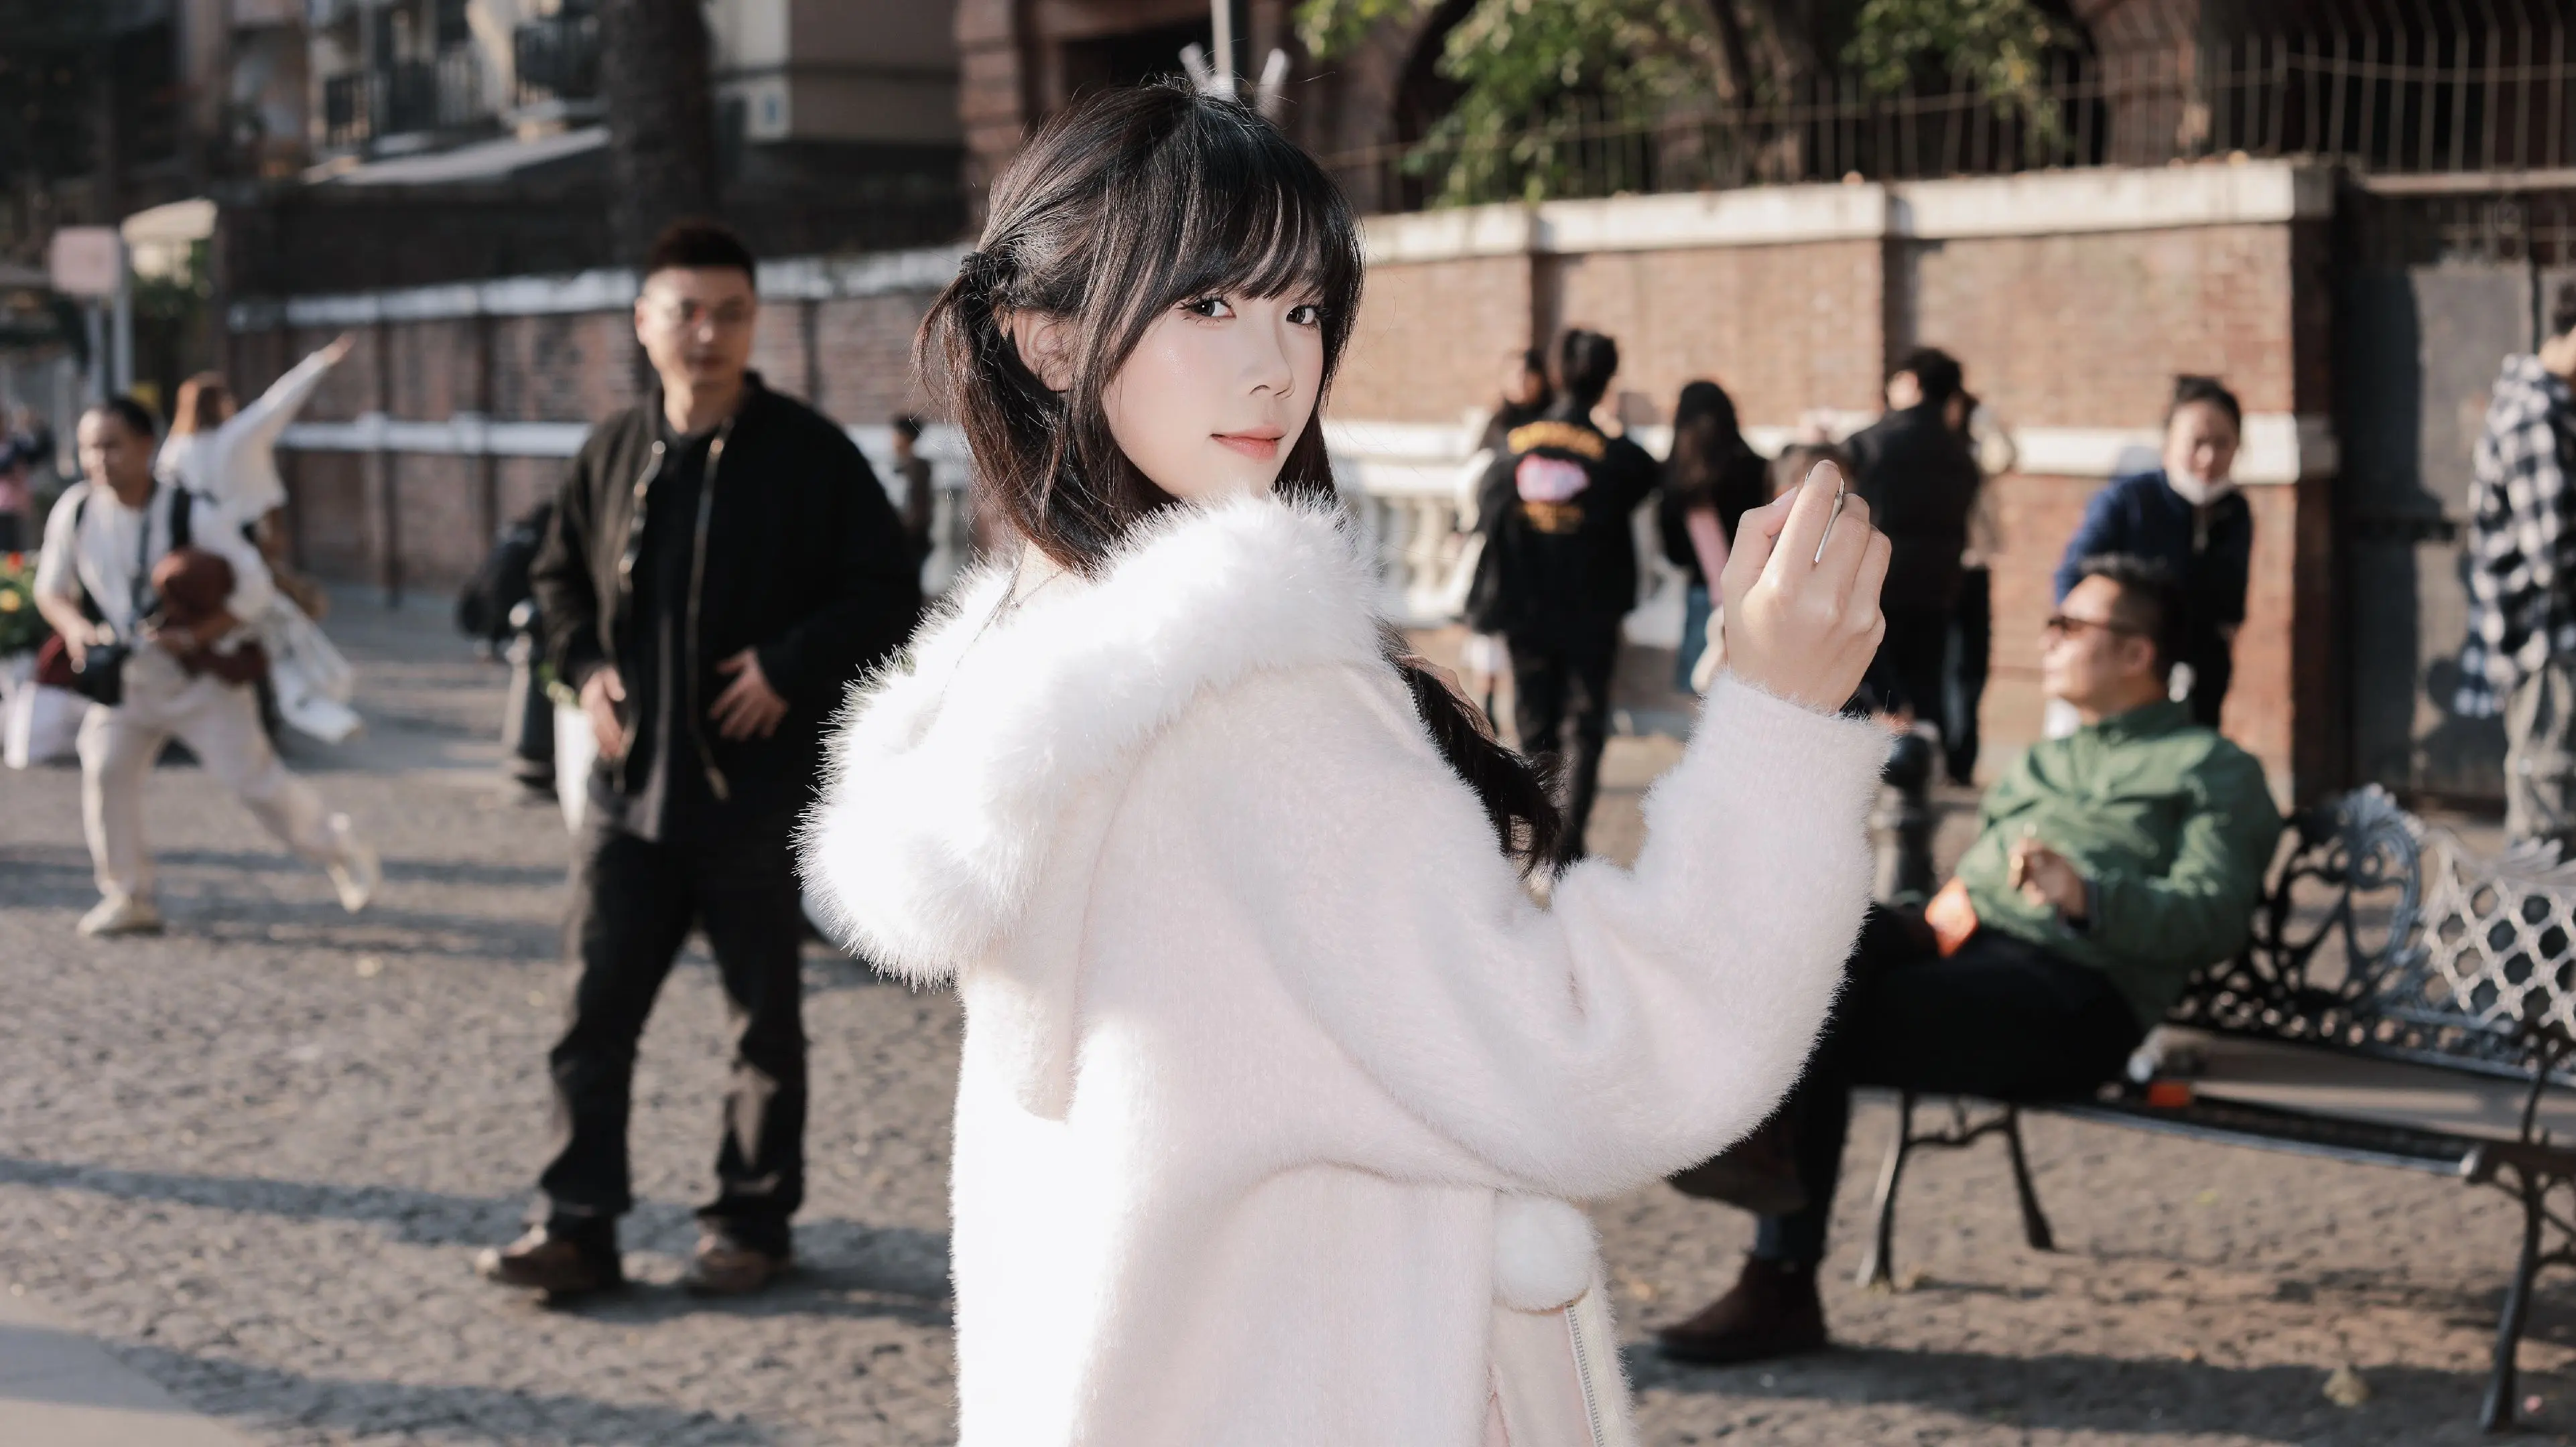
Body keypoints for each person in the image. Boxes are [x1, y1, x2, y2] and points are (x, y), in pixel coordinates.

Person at [800, 82, 1894, 1447]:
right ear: (1047, 337)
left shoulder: (1029, 671)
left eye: (1303, 309)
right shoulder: (1246, 701)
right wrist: (1778, 725)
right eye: (1208, 305)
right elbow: (1600, 1064)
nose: (1275, 365)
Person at [1655, 554, 2284, 1366]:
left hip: (2076, 994)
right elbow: (1969, 887)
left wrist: (2089, 897)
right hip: (1965, 950)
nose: (2047, 639)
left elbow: (2213, 917)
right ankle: (1745, 1163)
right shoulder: (2047, 762)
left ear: (2137, 653)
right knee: (1813, 927)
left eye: (2070, 626)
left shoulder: (2211, 770)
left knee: (1818, 1013)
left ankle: (1773, 1257)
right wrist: (1910, 924)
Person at [474, 220, 921, 1302]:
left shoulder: (809, 455)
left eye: (730, 313)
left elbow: (886, 593)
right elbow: (555, 580)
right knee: (591, 1020)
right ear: (645, 322)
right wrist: (586, 669)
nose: (708, 333)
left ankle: (749, 1225)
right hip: (628, 800)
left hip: (754, 798)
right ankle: (576, 1226)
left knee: (763, 1028)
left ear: (754, 323)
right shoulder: (612, 451)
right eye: (686, 312)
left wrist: (785, 664)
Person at [31, 396, 381, 939]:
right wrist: (78, 630)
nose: (98, 460)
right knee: (106, 772)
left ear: (146, 446)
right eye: (88, 448)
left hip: (199, 679)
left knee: (256, 786)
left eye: (111, 446)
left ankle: (339, 847)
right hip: (127, 681)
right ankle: (129, 895)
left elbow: (255, 590)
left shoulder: (192, 511)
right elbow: (50, 590)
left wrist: (196, 635)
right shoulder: (76, 510)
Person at [1466, 328, 1662, 860]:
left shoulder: (1513, 446)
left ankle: (1539, 834)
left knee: (1534, 724)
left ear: (1555, 373)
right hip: (1591, 610)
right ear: (1607, 378)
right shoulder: (1619, 455)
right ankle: (1567, 848)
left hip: (1525, 606)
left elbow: (1485, 508)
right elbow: (1649, 480)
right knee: (1585, 725)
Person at [2053, 375, 2250, 730]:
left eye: (2222, 443)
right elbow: (2072, 576)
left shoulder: (2234, 512)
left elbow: (2230, 605)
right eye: (2197, 442)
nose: (2208, 458)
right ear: (2169, 442)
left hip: (2196, 675)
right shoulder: (2128, 501)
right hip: (2121, 670)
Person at [2459, 284, 2576, 849]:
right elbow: (2552, 556)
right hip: (2543, 645)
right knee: (2546, 821)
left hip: (2552, 642)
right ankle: (2529, 913)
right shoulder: (2535, 417)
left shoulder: (2551, 405)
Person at [161, 336, 355, 622]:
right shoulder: (236, 435)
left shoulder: (174, 449)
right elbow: (278, 401)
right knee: (260, 606)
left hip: (194, 547)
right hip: (240, 541)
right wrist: (322, 361)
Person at [1844, 347, 1984, 726]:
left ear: (1912, 382)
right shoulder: (1961, 454)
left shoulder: (1871, 443)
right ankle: (1924, 753)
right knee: (1926, 687)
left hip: (1878, 582)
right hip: (1938, 586)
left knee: (1868, 690)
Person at [1657, 378, 1771, 692]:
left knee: (1701, 691)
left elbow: (1674, 554)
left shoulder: (1679, 482)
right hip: (1757, 590)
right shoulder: (1759, 468)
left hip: (1704, 593)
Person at [1945, 391, 2014, 784]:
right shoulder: (1934, 451)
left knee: (1973, 665)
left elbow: (2005, 456)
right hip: (1942, 570)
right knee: (1950, 666)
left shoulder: (1975, 451)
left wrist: (1987, 420)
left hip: (1975, 565)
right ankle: (1951, 756)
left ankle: (1964, 759)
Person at [891, 413, 936, 563]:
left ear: (905, 437)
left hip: (910, 537)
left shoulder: (917, 467)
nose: (892, 440)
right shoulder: (901, 465)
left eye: (896, 434)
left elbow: (916, 505)